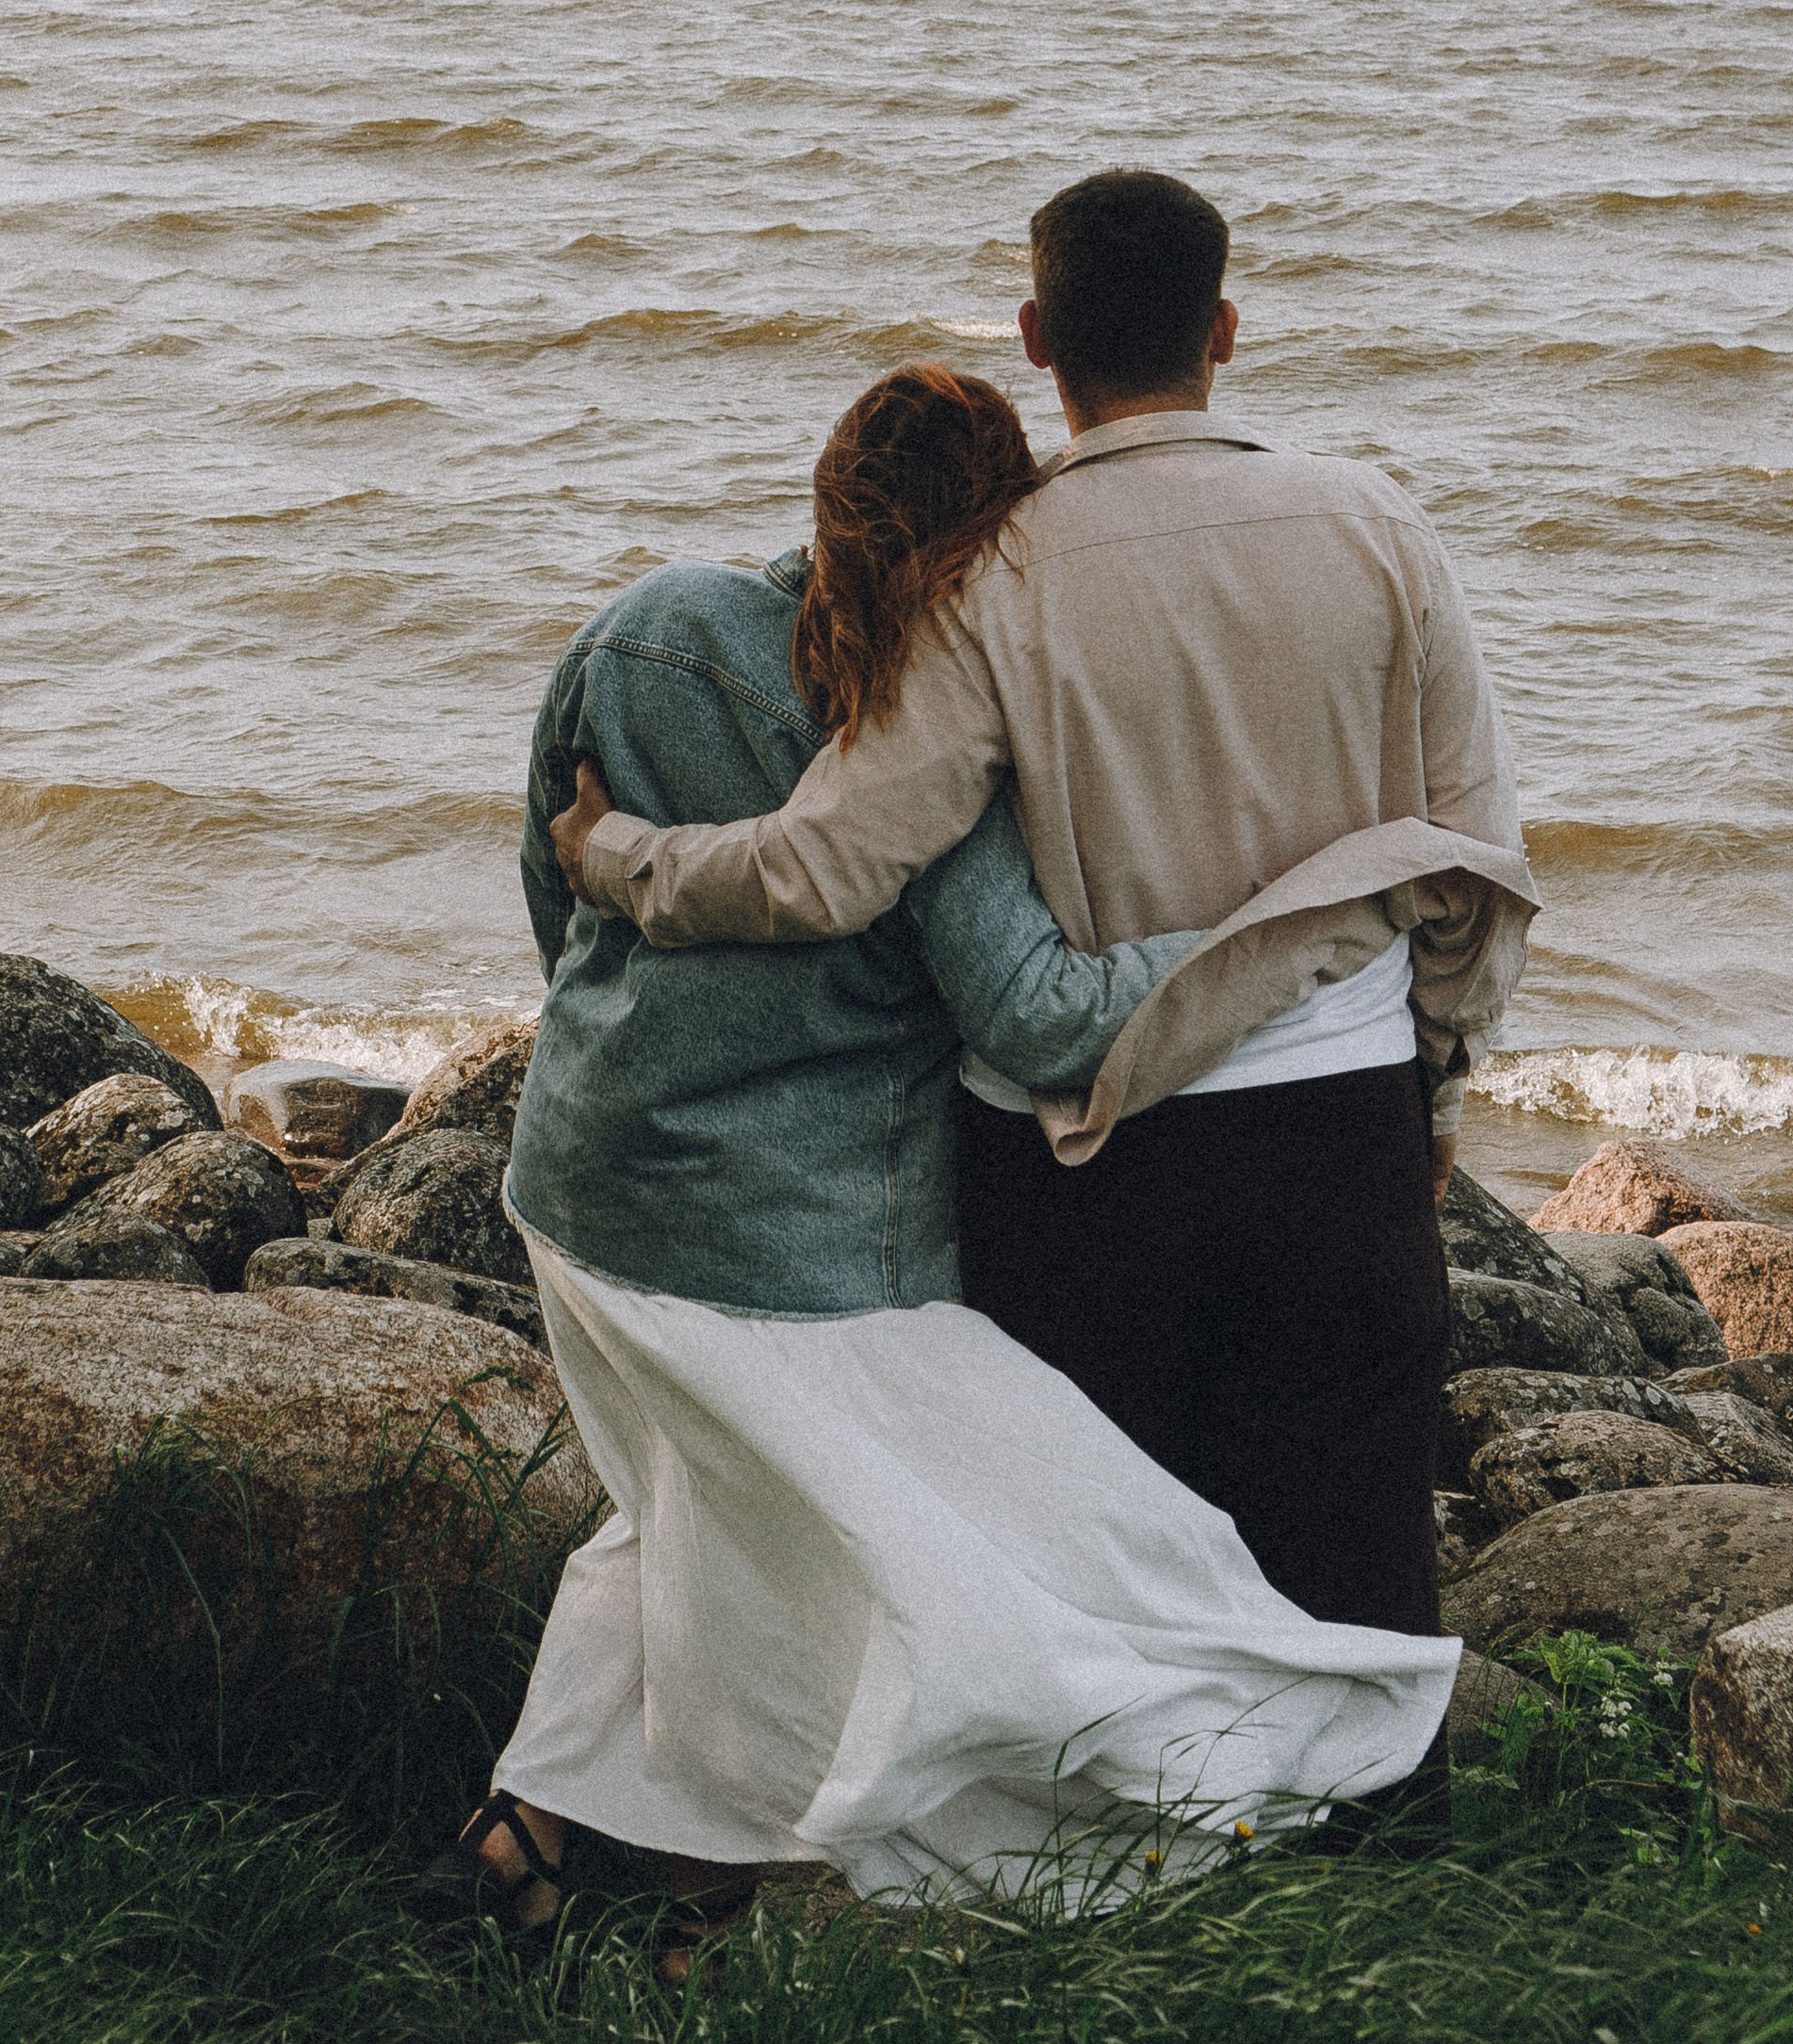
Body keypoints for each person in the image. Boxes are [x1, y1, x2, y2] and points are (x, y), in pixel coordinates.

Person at [445, 362, 1460, 1962]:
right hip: (797, 1247)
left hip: (577, 1180)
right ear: (1000, 538)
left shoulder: (645, 624)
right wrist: (1303, 923)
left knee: (690, 1511)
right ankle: (751, 1890)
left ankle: (545, 1834)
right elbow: (1044, 1018)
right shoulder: (930, 747)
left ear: (827, 485)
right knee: (973, 1560)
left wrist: (628, 1051)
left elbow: (549, 878)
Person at [557, 171, 1536, 1662]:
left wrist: (617, 853)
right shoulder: (1382, 529)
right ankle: (1377, 1857)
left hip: (1083, 1168)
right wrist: (1437, 1081)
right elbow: (1474, 862)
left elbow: (822, 869)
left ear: (1035, 336)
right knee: (1359, 1575)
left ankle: (1132, 1877)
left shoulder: (985, 582)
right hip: (1338, 1123)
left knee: (1095, 1583)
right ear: (1224, 329)